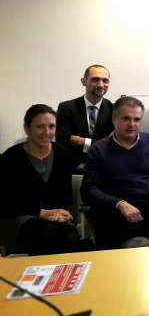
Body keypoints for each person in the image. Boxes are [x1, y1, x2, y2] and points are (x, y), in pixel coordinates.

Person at [81, 96, 149, 291]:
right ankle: (113, 290)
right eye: (126, 118)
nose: (132, 124)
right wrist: (120, 204)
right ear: (114, 120)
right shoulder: (98, 150)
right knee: (104, 233)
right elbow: (89, 190)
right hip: (116, 211)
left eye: (136, 119)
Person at [0, 104, 86, 255]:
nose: (47, 132)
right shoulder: (10, 158)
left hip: (55, 218)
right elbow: (7, 202)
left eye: (51, 126)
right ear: (27, 128)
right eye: (40, 127)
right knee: (43, 233)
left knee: (70, 236)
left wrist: (61, 213)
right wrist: (42, 213)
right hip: (19, 219)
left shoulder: (63, 154)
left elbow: (65, 193)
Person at [56, 65, 115, 161]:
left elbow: (113, 144)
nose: (101, 84)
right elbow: (62, 141)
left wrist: (81, 141)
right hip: (72, 163)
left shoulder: (114, 110)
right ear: (84, 81)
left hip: (103, 163)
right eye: (95, 80)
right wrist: (100, 144)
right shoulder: (66, 108)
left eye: (105, 80)